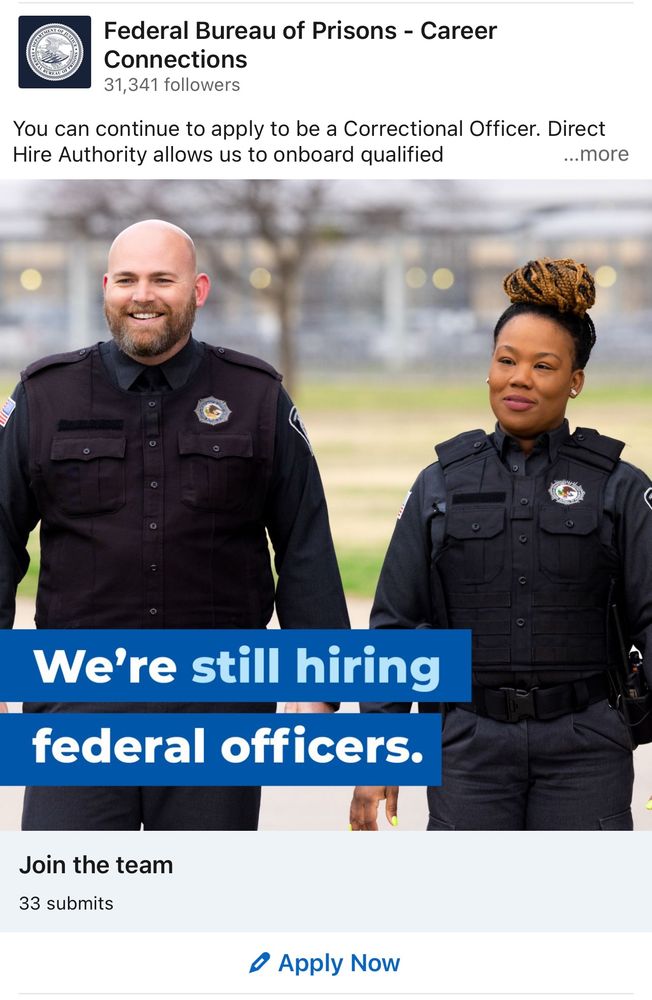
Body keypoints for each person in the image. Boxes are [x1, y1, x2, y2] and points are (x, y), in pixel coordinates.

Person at [0, 219, 349, 830]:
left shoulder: (256, 395)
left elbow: (304, 542)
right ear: (106, 288)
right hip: (77, 701)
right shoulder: (44, 396)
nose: (143, 295)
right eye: (127, 280)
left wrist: (317, 680)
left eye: (163, 279)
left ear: (198, 290)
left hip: (218, 706)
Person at [350, 257, 652, 831]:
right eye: (506, 360)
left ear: (575, 381)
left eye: (544, 365)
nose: (519, 378)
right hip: (468, 749)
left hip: (587, 749)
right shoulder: (440, 484)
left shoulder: (620, 486)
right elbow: (396, 624)